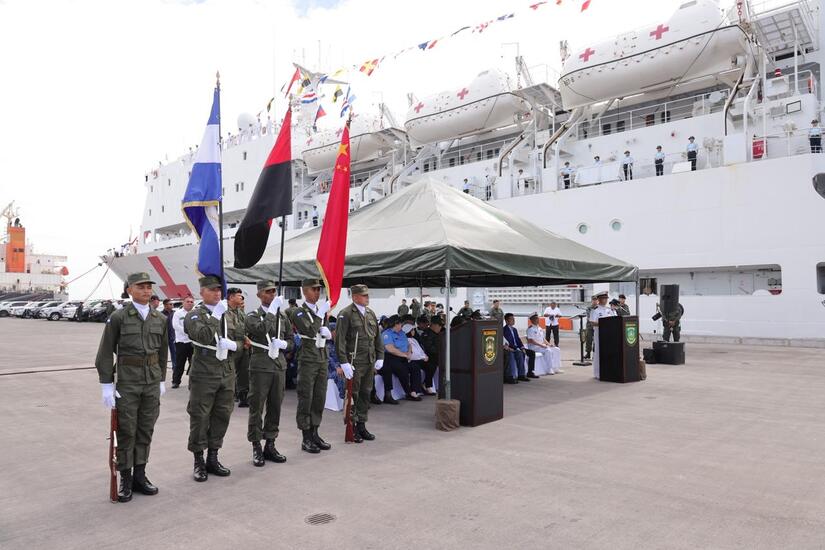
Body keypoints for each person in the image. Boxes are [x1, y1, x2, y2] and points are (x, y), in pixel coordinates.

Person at [95, 272, 168, 502]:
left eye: (148, 287)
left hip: (151, 382)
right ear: (129, 290)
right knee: (127, 431)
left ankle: (140, 476)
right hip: (128, 382)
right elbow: (105, 352)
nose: (146, 291)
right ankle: (125, 479)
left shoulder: (160, 318)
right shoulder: (119, 317)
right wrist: (106, 384)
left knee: (146, 429)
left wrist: (162, 379)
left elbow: (163, 351)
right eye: (140, 287)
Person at [185, 276, 236, 481]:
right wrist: (215, 315)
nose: (217, 293)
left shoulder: (228, 314)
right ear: (202, 292)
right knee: (200, 416)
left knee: (222, 415)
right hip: (204, 374)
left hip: (226, 372)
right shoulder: (193, 315)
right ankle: (198, 460)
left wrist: (235, 345)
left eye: (219, 290)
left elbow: (241, 338)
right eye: (212, 290)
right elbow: (203, 337)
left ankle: (213, 457)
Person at [245, 281, 293, 467]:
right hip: (260, 367)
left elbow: (291, 340)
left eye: (274, 291)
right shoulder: (252, 316)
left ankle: (270, 444)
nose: (272, 294)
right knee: (256, 407)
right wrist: (272, 311)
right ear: (259, 295)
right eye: (268, 292)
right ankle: (256, 445)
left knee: (275, 406)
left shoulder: (283, 316)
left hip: (278, 366)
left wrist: (285, 345)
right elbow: (260, 330)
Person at [286, 278, 333, 454]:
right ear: (305, 291)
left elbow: (322, 332)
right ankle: (306, 437)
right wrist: (320, 315)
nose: (317, 292)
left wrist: (327, 331)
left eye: (319, 289)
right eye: (314, 289)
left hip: (322, 358)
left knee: (319, 398)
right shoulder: (298, 312)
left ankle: (315, 433)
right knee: (306, 398)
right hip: (308, 359)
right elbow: (310, 331)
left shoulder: (321, 311)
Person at [335, 284, 384, 442]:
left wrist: (380, 356)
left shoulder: (370, 313)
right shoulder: (346, 314)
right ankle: (352, 426)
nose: (367, 298)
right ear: (355, 297)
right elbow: (340, 340)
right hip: (354, 361)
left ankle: (361, 425)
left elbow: (377, 337)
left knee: (365, 393)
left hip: (369, 360)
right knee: (353, 395)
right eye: (364, 295)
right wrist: (343, 362)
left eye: (367, 295)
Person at [381, 315, 421, 401]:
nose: (402, 326)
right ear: (395, 324)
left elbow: (409, 345)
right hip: (391, 357)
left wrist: (409, 353)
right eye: (400, 324)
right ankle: (408, 392)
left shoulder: (402, 333)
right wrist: (404, 355)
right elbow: (390, 349)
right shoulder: (387, 334)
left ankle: (414, 391)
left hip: (404, 356)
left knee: (415, 367)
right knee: (402, 370)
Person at [226, 288, 251, 408]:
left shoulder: (240, 312)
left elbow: (245, 327)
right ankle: (228, 396)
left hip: (243, 347)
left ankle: (243, 397)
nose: (241, 297)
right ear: (231, 297)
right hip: (231, 347)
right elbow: (230, 330)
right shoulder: (225, 312)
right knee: (229, 373)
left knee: (244, 372)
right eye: (238, 295)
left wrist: (246, 338)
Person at [588, 291, 616, 380]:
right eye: (604, 298)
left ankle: (608, 371)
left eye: (606, 298)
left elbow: (614, 320)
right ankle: (598, 373)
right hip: (599, 334)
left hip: (609, 334)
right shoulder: (595, 310)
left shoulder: (609, 310)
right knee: (599, 352)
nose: (606, 300)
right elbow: (592, 323)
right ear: (599, 299)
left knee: (608, 352)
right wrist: (603, 324)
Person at [171, 295, 195, 388]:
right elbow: (176, 326)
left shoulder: (195, 313)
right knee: (179, 363)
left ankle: (192, 383)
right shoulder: (178, 313)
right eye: (187, 301)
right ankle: (176, 381)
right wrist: (188, 332)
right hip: (181, 342)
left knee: (193, 364)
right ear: (183, 303)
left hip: (192, 342)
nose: (189, 303)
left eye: (191, 302)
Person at [414, 315, 439, 395]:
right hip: (415, 356)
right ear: (418, 323)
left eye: (426, 323)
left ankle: (427, 385)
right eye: (423, 323)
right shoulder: (415, 332)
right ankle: (425, 385)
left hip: (424, 355)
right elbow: (426, 345)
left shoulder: (429, 332)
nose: (426, 324)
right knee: (431, 364)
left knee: (432, 364)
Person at [502, 313, 529, 383]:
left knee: (521, 353)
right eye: (511, 319)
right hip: (509, 348)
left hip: (516, 348)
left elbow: (518, 340)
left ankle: (521, 375)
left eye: (514, 319)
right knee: (511, 355)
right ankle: (510, 376)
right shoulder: (504, 330)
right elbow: (507, 342)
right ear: (506, 321)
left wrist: (522, 347)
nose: (513, 320)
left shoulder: (514, 330)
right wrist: (515, 348)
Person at [161, 298, 176, 369]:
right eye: (170, 304)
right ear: (165, 305)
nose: (172, 305)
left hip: (173, 337)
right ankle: (162, 368)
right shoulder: (161, 314)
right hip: (163, 337)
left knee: (174, 354)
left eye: (172, 304)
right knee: (163, 354)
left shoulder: (175, 313)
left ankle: (175, 369)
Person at [584, 295, 598, 360]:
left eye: (596, 300)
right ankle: (588, 353)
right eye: (593, 300)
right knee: (588, 340)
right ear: (591, 301)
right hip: (589, 326)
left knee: (595, 340)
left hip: (596, 326)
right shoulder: (589, 308)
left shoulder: (599, 308)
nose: (594, 301)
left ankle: (595, 354)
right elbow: (589, 316)